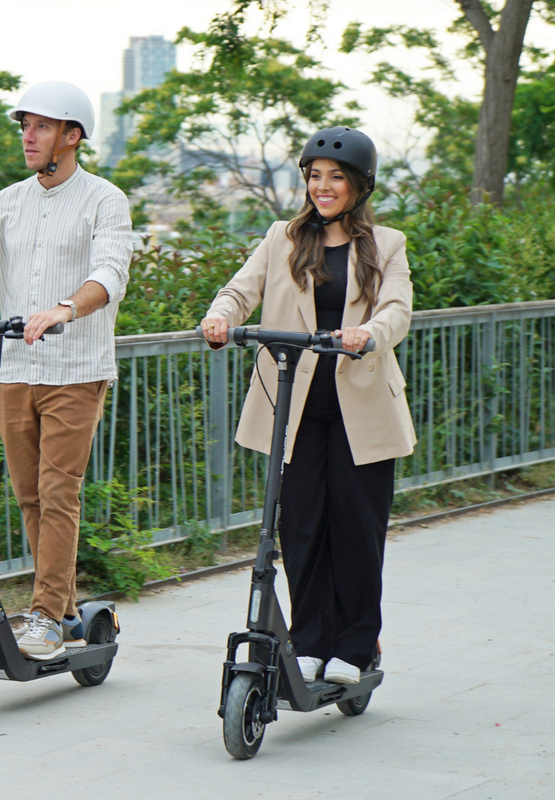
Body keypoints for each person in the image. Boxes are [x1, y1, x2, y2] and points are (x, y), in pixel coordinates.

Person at [0, 81, 133, 660]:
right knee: (28, 496)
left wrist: (64, 308)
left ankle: (43, 615)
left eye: (40, 126)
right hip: (15, 368)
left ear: (72, 135)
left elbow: (111, 275)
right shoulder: (6, 202)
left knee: (58, 492)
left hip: (76, 367)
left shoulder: (104, 199)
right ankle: (61, 609)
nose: (28, 137)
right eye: (24, 126)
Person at [201, 126, 415, 685]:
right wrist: (220, 315)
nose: (323, 187)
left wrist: (368, 332)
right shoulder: (283, 237)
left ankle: (358, 643)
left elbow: (397, 309)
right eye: (315, 177)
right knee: (301, 529)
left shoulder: (386, 244)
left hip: (360, 407)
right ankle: (312, 640)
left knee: (356, 528)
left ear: (359, 186)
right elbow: (240, 288)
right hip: (292, 404)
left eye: (335, 178)